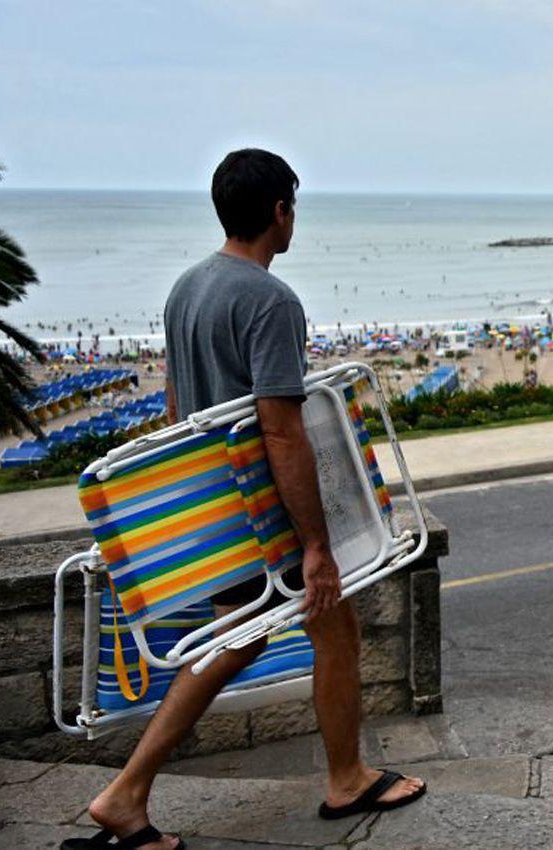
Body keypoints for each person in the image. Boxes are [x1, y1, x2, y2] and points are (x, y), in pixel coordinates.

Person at [69, 150, 424, 850]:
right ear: (280, 212)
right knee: (333, 629)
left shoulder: (187, 288)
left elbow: (178, 412)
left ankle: (127, 793)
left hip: (217, 514)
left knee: (236, 641)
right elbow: (280, 428)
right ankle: (345, 779)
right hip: (264, 515)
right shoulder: (270, 300)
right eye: (294, 205)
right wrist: (316, 546)